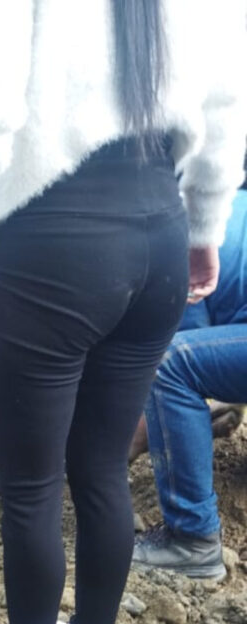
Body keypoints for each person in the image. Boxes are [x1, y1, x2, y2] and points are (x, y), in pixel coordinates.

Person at [0, 0, 246, 624]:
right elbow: (226, 91)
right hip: (160, 227)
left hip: (57, 237)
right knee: (98, 470)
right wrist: (207, 222)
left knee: (33, 483)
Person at [132, 185, 247, 581]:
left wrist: (127, 442)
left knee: (169, 365)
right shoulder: (209, 200)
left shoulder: (159, 248)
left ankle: (191, 539)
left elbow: (187, 362)